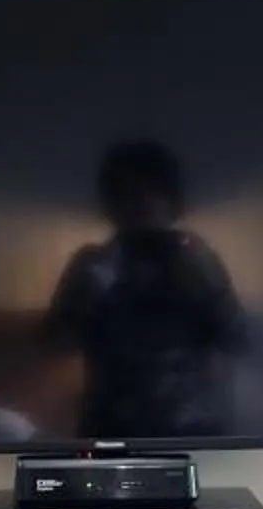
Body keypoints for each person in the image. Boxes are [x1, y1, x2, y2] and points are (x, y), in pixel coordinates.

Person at [44, 140, 248, 440]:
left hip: (191, 432)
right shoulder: (93, 263)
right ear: (111, 204)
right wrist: (90, 291)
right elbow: (57, 342)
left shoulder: (197, 260)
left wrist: (207, 284)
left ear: (170, 200)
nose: (140, 205)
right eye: (126, 195)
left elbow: (236, 340)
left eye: (150, 194)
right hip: (110, 432)